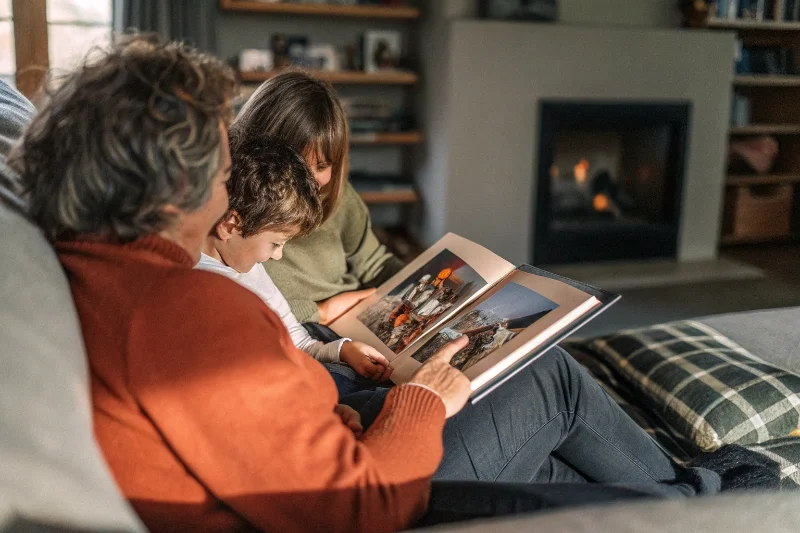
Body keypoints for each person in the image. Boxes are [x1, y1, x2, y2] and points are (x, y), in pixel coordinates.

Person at [13, 37, 777, 533]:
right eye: (219, 162)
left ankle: (683, 498)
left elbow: (271, 414)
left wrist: (345, 377)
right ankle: (722, 499)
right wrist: (425, 400)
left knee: (546, 453)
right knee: (548, 378)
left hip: (340, 436)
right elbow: (357, 505)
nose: (230, 180)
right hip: (372, 490)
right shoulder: (180, 311)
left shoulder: (110, 272)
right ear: (172, 184)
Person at [195, 133, 392, 384]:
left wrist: (341, 350)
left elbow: (297, 342)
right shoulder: (204, 290)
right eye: (276, 244)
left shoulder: (248, 267)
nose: (277, 256)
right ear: (231, 225)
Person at [231, 71, 406, 327]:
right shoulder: (232, 211)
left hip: (352, 320)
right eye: (299, 164)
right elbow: (234, 298)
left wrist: (417, 281)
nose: (310, 181)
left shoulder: (339, 196)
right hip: (293, 328)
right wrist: (320, 312)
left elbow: (373, 263)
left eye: (322, 166)